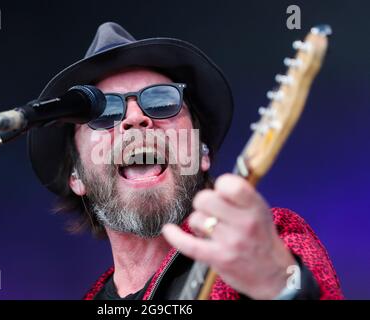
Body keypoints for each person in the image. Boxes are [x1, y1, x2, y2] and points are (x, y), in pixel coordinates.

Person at [27, 22, 343, 300]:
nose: (135, 118)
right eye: (104, 113)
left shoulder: (268, 240)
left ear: (202, 152)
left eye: (162, 101)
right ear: (77, 176)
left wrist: (279, 284)